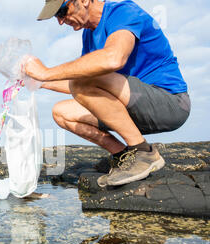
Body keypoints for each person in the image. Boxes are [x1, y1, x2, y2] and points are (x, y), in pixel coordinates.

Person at [25, 0, 191, 187]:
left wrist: (46, 72)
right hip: (131, 106)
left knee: (85, 78)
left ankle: (144, 153)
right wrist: (40, 82)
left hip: (170, 103)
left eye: (63, 11)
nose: (61, 21)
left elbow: (113, 58)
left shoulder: (123, 12)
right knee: (61, 112)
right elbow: (79, 85)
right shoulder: (88, 36)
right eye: (57, 16)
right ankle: (124, 156)